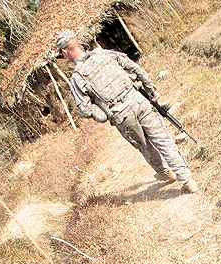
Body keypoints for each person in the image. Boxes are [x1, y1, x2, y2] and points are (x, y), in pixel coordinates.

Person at [55, 30, 198, 193]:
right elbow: (134, 68)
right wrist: (151, 91)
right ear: (77, 43)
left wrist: (104, 113)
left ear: (65, 52)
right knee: (163, 139)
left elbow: (85, 109)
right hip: (139, 101)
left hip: (122, 116)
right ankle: (186, 180)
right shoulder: (105, 54)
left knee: (145, 146)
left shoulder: (77, 78)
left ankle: (165, 172)